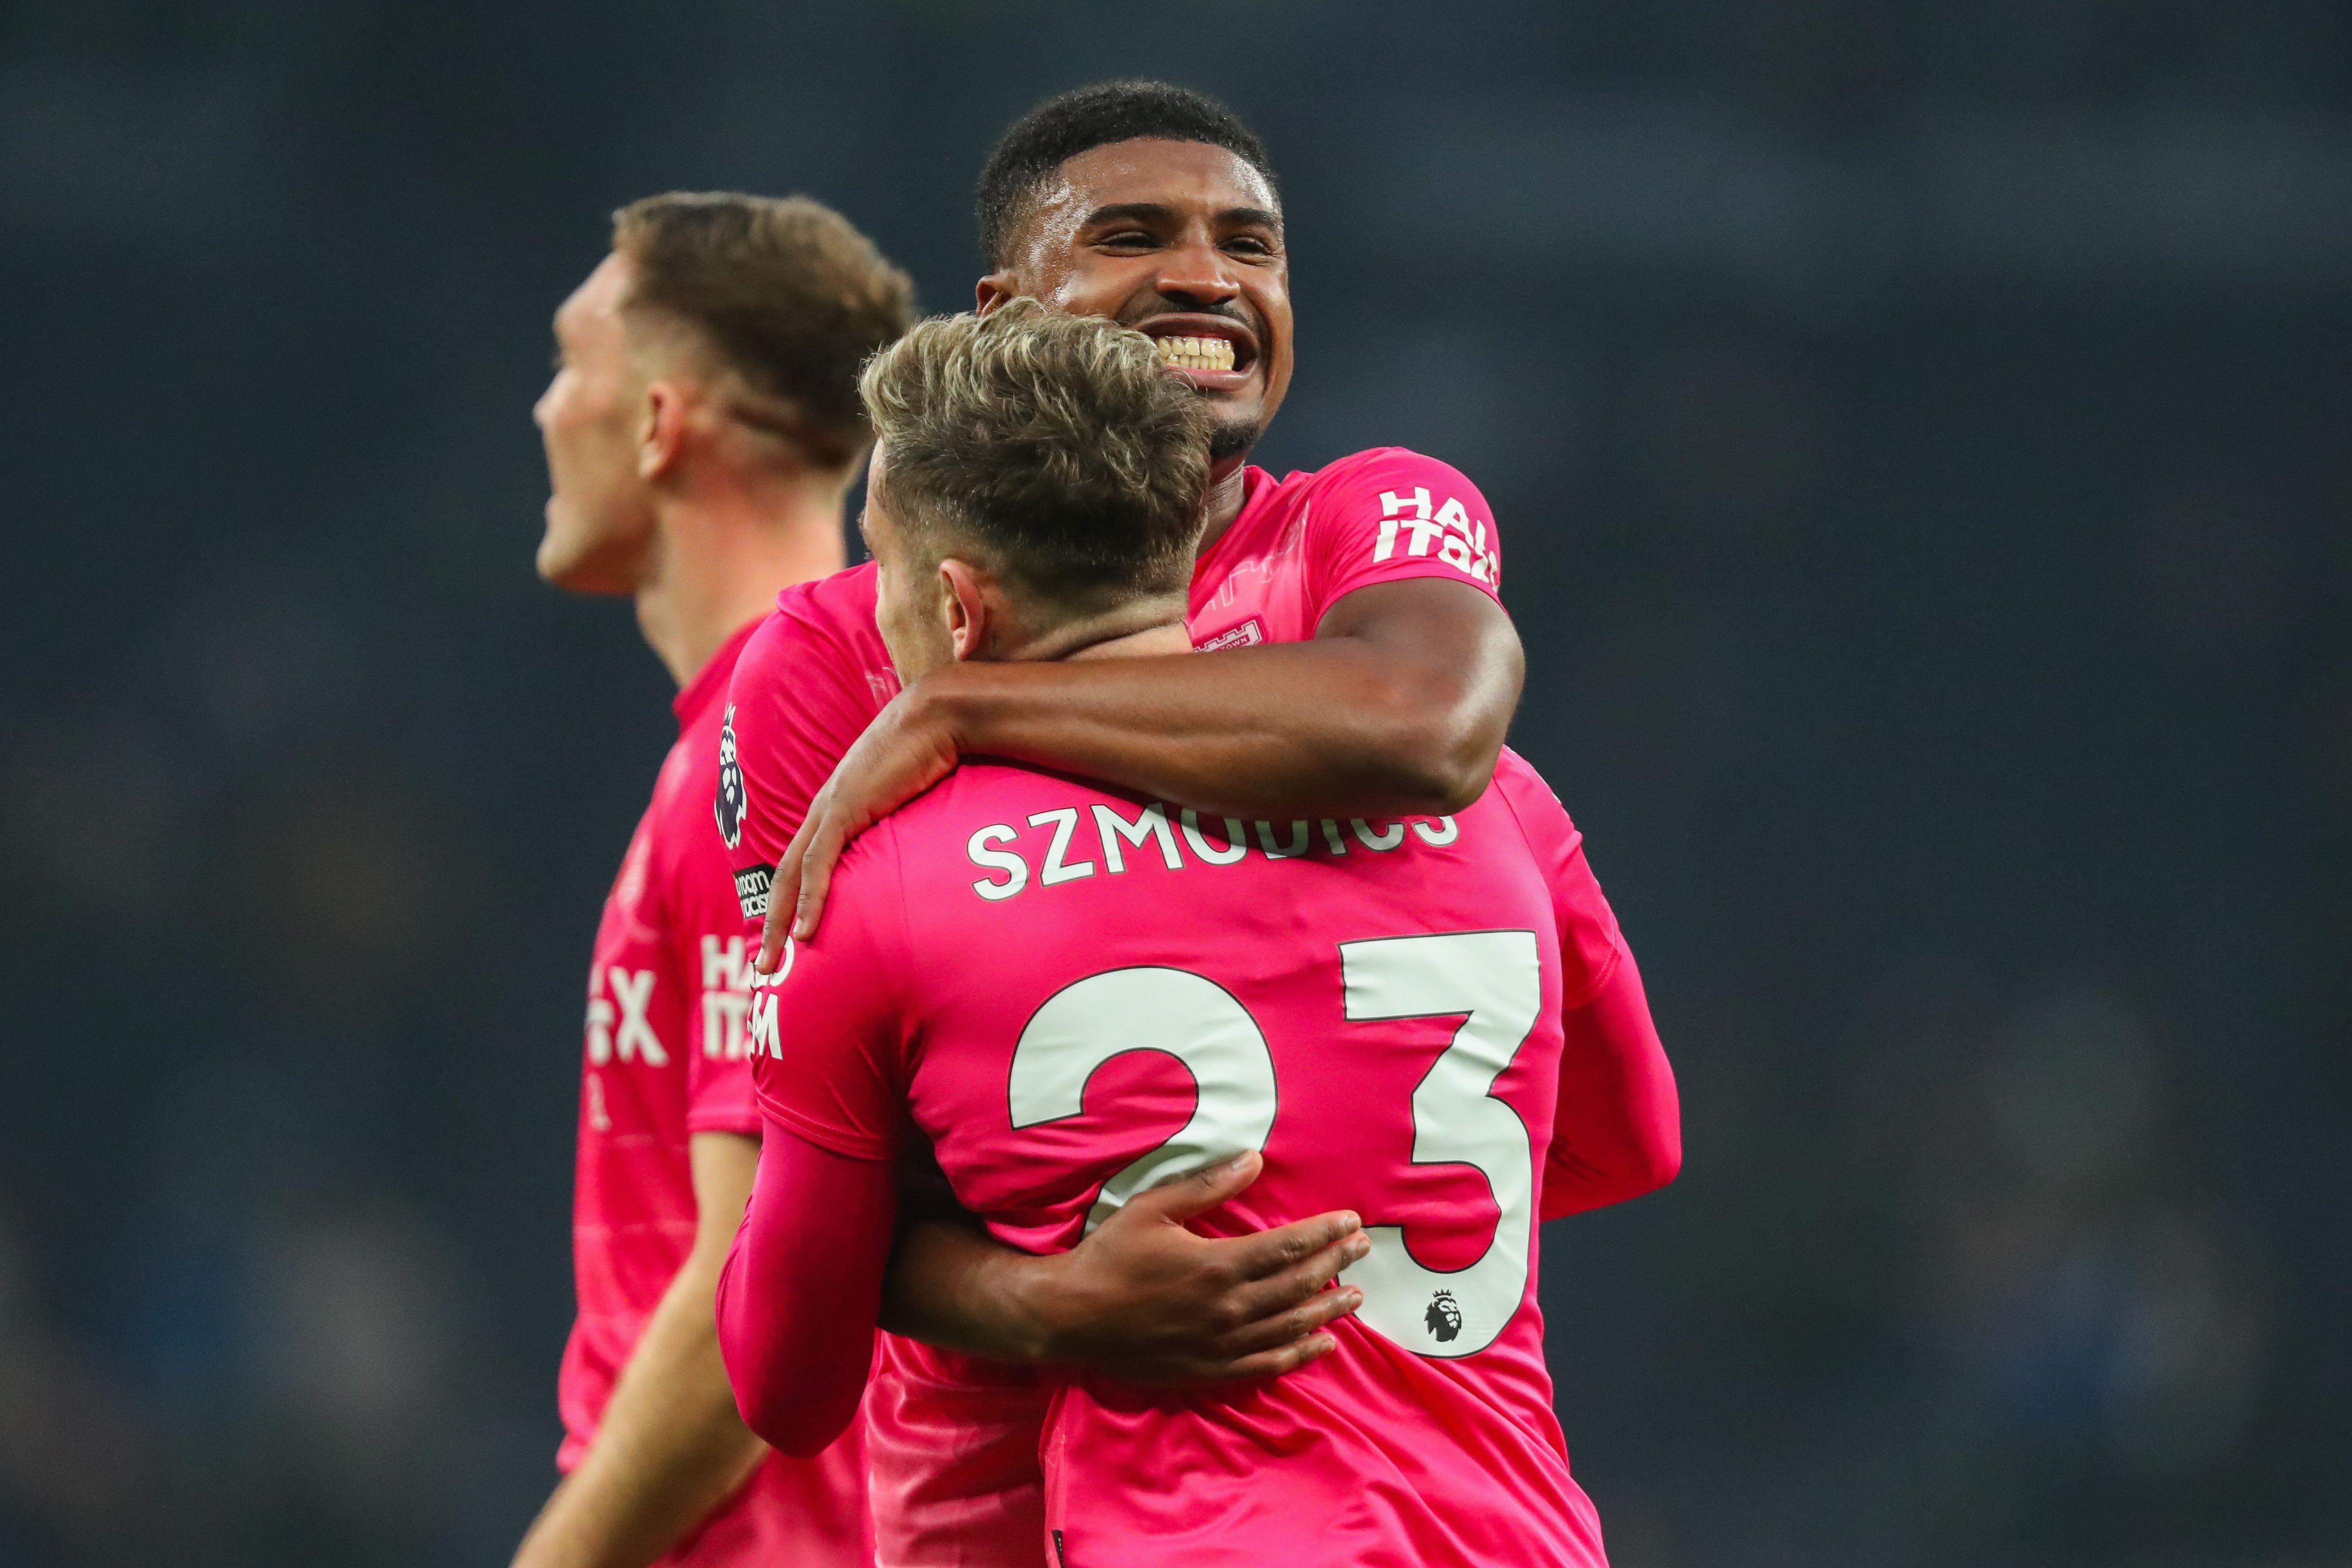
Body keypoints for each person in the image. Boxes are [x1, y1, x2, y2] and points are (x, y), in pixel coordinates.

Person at [711, 79, 1671, 1564]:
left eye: (1250, 243)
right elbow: (832, 1181)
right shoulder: (817, 666)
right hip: (995, 1501)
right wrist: (1050, 1301)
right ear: (1002, 308)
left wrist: (966, 710)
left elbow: (1425, 726)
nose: (1208, 278)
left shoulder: (1370, 521)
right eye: (1134, 235)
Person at [515, 191, 912, 1568]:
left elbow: (761, 1272)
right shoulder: (810, 726)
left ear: (659, 421)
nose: (543, 410)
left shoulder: (776, 743)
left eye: (574, 362)